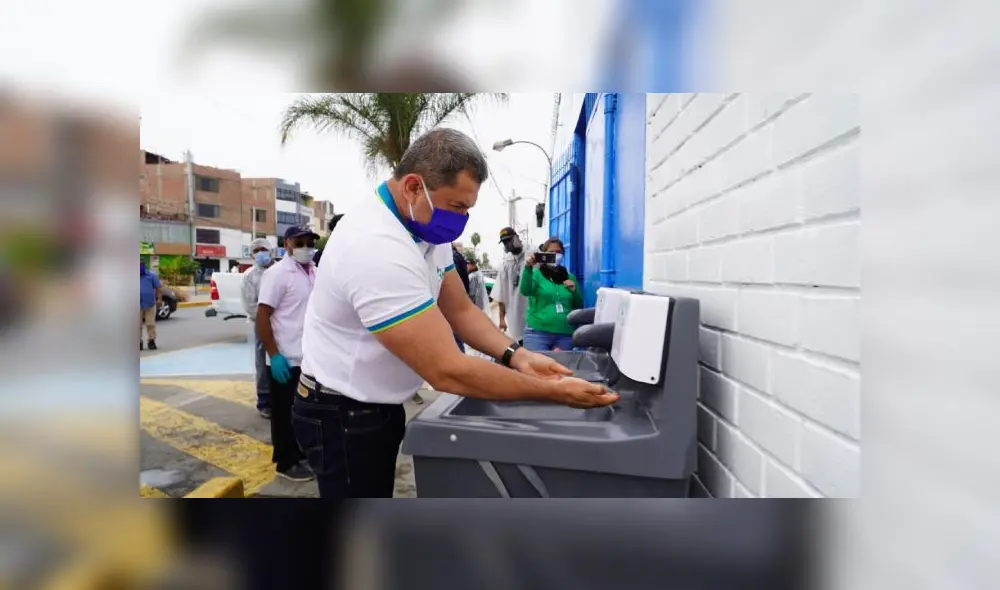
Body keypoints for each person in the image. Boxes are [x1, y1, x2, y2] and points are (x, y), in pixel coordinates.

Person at [295, 128, 618, 498]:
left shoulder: (425, 227)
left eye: (468, 208)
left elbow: (460, 309)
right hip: (340, 411)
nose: (461, 219)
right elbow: (446, 370)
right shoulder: (374, 248)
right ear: (414, 187)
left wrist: (518, 356)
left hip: (377, 405)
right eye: (457, 206)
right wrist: (552, 392)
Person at [256, 226, 319, 482]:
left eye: (309, 243)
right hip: (285, 358)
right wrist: (274, 354)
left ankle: (301, 454)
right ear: (287, 245)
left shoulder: (315, 271)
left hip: (309, 359)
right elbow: (263, 315)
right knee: (284, 413)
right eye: (299, 243)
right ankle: (285, 462)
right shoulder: (278, 274)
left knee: (303, 413)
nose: (305, 247)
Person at [519, 238, 583, 352]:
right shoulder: (536, 274)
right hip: (537, 333)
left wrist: (574, 291)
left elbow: (578, 305)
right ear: (544, 254)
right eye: (551, 252)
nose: (555, 255)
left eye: (558, 252)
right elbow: (525, 291)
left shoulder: (570, 277)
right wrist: (528, 268)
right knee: (536, 364)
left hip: (565, 335)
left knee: (561, 364)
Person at [241, 238, 275, 419]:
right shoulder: (250, 276)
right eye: (257, 250)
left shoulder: (281, 270)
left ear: (271, 251)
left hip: (285, 322)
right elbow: (250, 305)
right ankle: (264, 400)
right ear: (252, 254)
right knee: (262, 359)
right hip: (262, 322)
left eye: (264, 249)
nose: (261, 253)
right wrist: (266, 318)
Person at [494, 227, 528, 345]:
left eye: (509, 240)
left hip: (534, 315)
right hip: (515, 317)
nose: (508, 244)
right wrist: (501, 319)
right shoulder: (506, 263)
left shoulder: (532, 254)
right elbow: (501, 293)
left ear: (517, 237)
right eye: (504, 242)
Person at [139, 260, 162, 351]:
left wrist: (159, 299)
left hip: (150, 304)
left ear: (144, 266)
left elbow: (158, 288)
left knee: (150, 324)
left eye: (141, 265)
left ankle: (151, 341)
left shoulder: (151, 276)